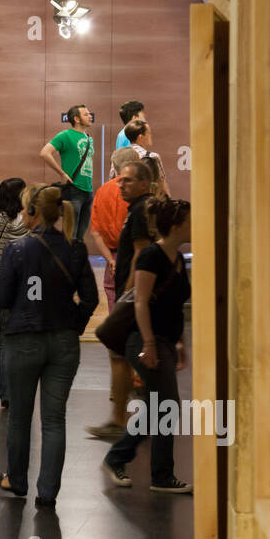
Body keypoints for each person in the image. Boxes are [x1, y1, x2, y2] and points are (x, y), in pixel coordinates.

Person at [0, 185, 98, 506]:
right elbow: (90, 299)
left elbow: (0, 297)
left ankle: (17, 479)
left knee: (20, 416)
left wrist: (14, 320)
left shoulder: (17, 250)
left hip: (24, 340)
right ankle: (48, 492)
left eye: (26, 210)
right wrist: (73, 325)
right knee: (54, 420)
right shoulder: (76, 249)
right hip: (64, 343)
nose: (23, 215)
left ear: (35, 213)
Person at [103, 198, 193, 494]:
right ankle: (159, 475)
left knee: (160, 407)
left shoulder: (177, 258)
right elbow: (140, 301)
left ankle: (122, 458)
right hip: (143, 341)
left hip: (165, 340)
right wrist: (150, 344)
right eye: (191, 221)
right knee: (167, 406)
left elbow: (174, 306)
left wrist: (179, 343)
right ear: (178, 225)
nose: (195, 225)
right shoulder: (151, 257)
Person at [85, 159, 155, 441]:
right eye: (120, 179)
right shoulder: (136, 208)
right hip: (133, 292)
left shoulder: (141, 210)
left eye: (127, 180)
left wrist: (128, 293)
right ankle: (125, 417)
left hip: (133, 293)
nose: (120, 184)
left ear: (143, 183)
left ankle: (122, 419)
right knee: (123, 351)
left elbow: (141, 254)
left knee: (119, 348)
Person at [0, 177, 28, 408]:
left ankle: (6, 394)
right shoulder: (27, 220)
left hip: (1, 282)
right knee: (23, 340)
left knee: (5, 339)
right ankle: (22, 391)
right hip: (23, 285)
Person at [89, 147, 140, 312]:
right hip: (135, 256)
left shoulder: (102, 191)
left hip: (112, 257)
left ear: (114, 165)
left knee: (113, 301)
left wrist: (110, 260)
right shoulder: (137, 190)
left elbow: (95, 232)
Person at [40, 104, 95, 244]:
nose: (90, 116)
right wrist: (62, 173)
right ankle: (66, 264)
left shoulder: (89, 138)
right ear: (76, 119)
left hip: (88, 190)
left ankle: (75, 263)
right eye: (86, 114)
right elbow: (45, 153)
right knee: (70, 235)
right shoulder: (65, 135)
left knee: (80, 238)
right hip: (73, 190)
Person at [125, 118, 169, 196]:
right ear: (140, 137)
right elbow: (162, 185)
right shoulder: (152, 157)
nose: (151, 136)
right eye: (149, 133)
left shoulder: (119, 156)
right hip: (147, 202)